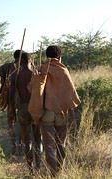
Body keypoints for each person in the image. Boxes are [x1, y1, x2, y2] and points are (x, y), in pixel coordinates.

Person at [38, 45, 80, 176]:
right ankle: (60, 169)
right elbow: (71, 94)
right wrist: (72, 116)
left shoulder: (42, 69)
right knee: (60, 143)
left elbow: (32, 90)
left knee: (49, 145)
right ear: (59, 57)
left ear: (47, 56)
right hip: (61, 113)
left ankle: (53, 172)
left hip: (46, 113)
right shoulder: (64, 71)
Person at [15, 52, 42, 172]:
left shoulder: (16, 75)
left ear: (20, 61)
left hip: (22, 109)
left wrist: (12, 111)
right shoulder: (35, 75)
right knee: (38, 139)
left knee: (27, 141)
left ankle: (31, 169)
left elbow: (11, 97)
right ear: (30, 61)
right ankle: (39, 166)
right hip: (35, 108)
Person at [0, 50, 22, 155]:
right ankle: (19, 144)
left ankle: (14, 144)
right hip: (21, 100)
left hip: (11, 99)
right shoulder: (26, 67)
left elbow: (2, 82)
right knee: (21, 122)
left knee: (11, 122)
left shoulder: (7, 67)